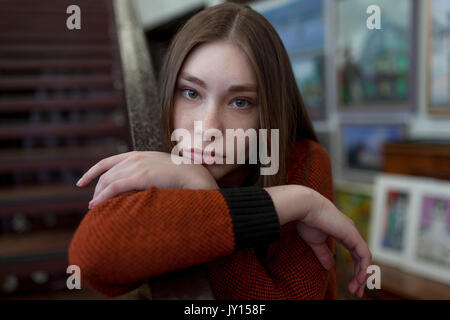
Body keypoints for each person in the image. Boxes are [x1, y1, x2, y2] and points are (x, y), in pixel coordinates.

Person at [69, 2, 371, 299]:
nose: (208, 127)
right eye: (191, 93)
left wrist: (206, 194)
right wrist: (294, 202)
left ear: (269, 111)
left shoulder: (301, 160)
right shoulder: (161, 160)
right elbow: (91, 258)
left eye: (240, 102)